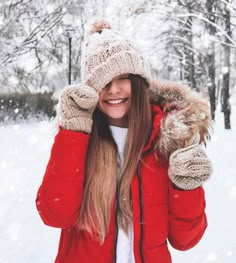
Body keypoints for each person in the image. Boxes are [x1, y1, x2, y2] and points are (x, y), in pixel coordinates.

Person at [36, 18, 213, 263]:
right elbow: (55, 214)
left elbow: (185, 240)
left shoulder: (167, 143)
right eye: (103, 81)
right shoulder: (79, 139)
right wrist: (71, 135)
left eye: (123, 78)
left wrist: (187, 187)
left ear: (139, 83)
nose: (114, 89)